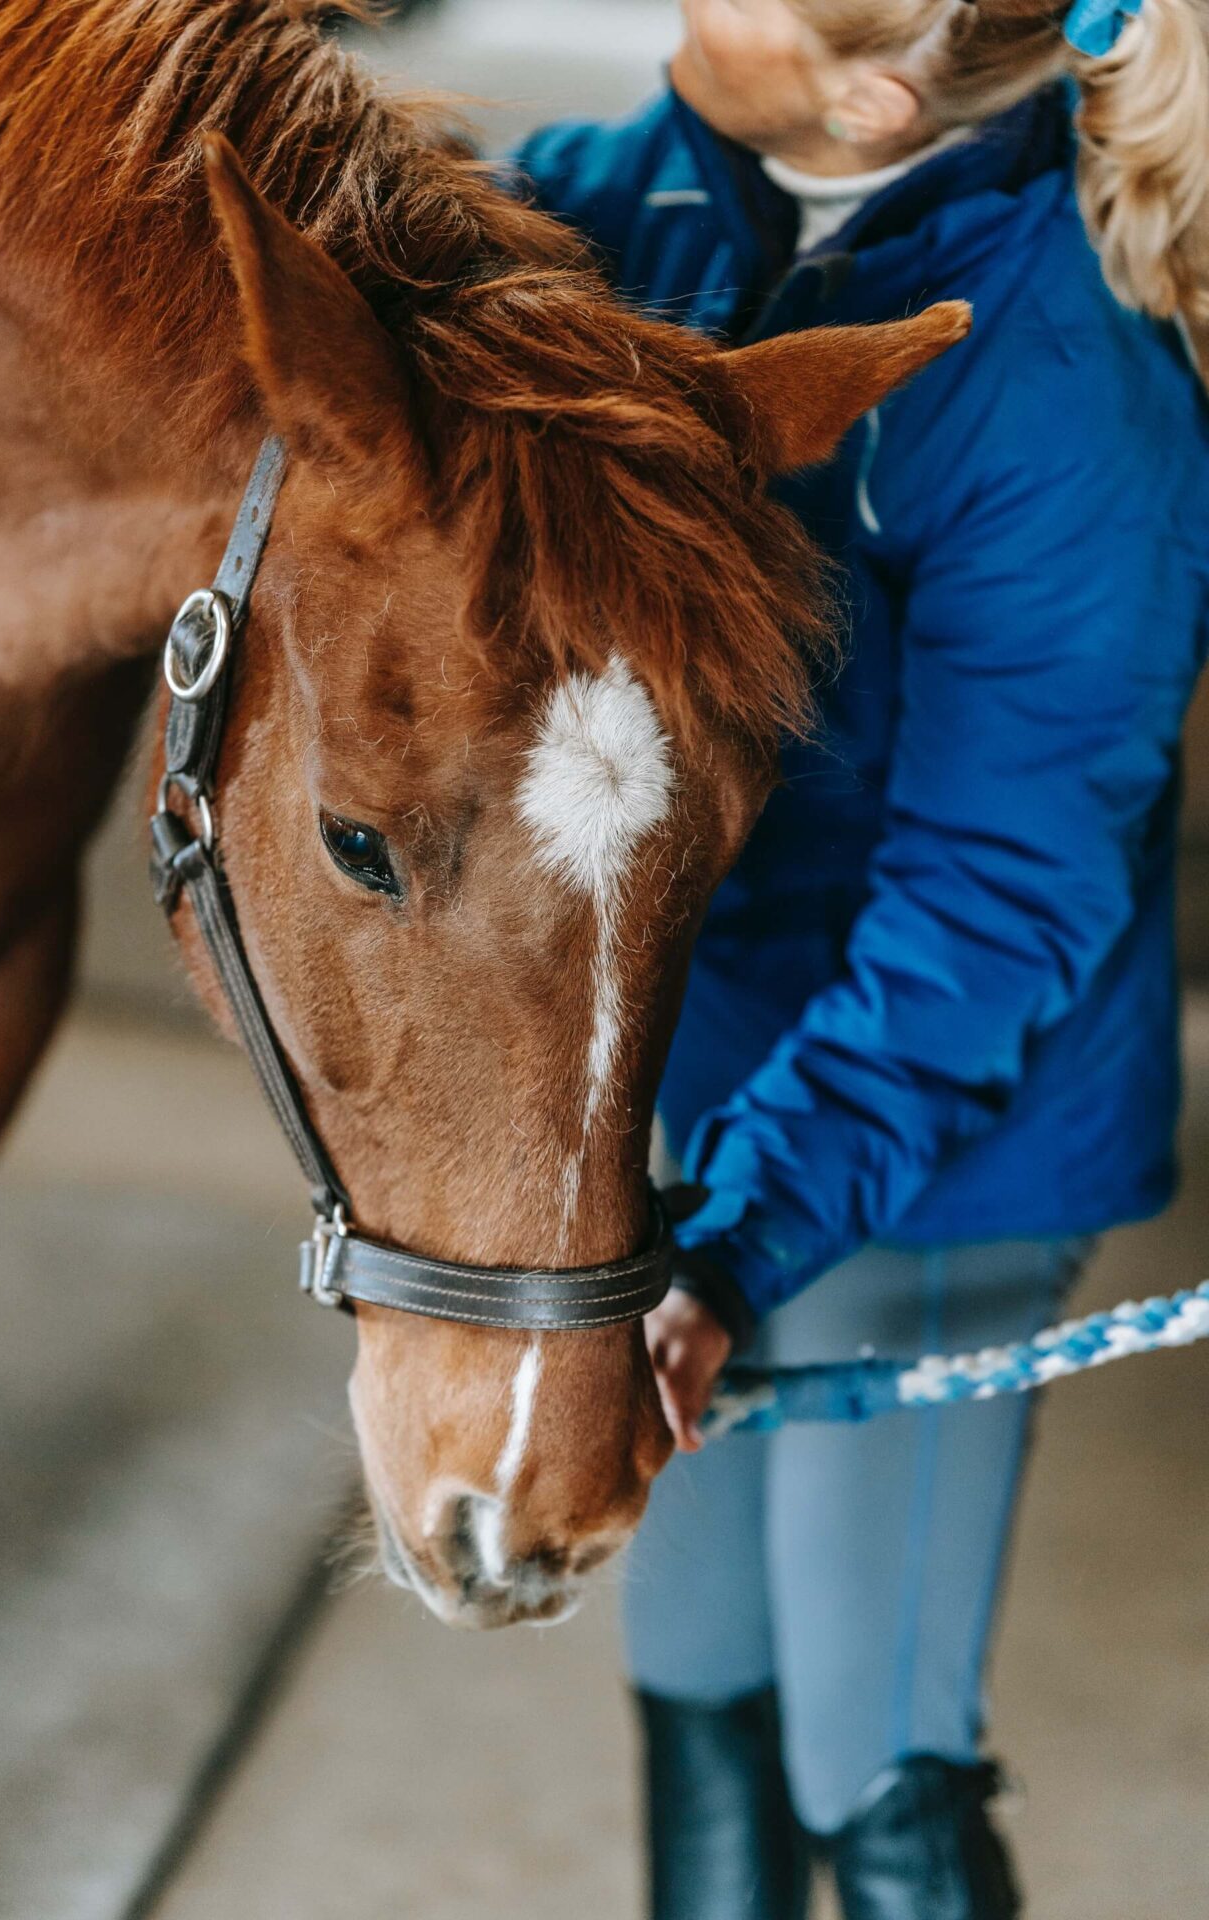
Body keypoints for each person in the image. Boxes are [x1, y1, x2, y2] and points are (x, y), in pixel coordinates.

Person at [509, 3, 1209, 1914]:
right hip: (711, 1111)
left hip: (937, 1139)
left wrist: (734, 1247)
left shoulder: (1061, 375)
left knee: (866, 1753)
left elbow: (998, 891)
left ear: (873, 86)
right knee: (696, 1682)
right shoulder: (627, 206)